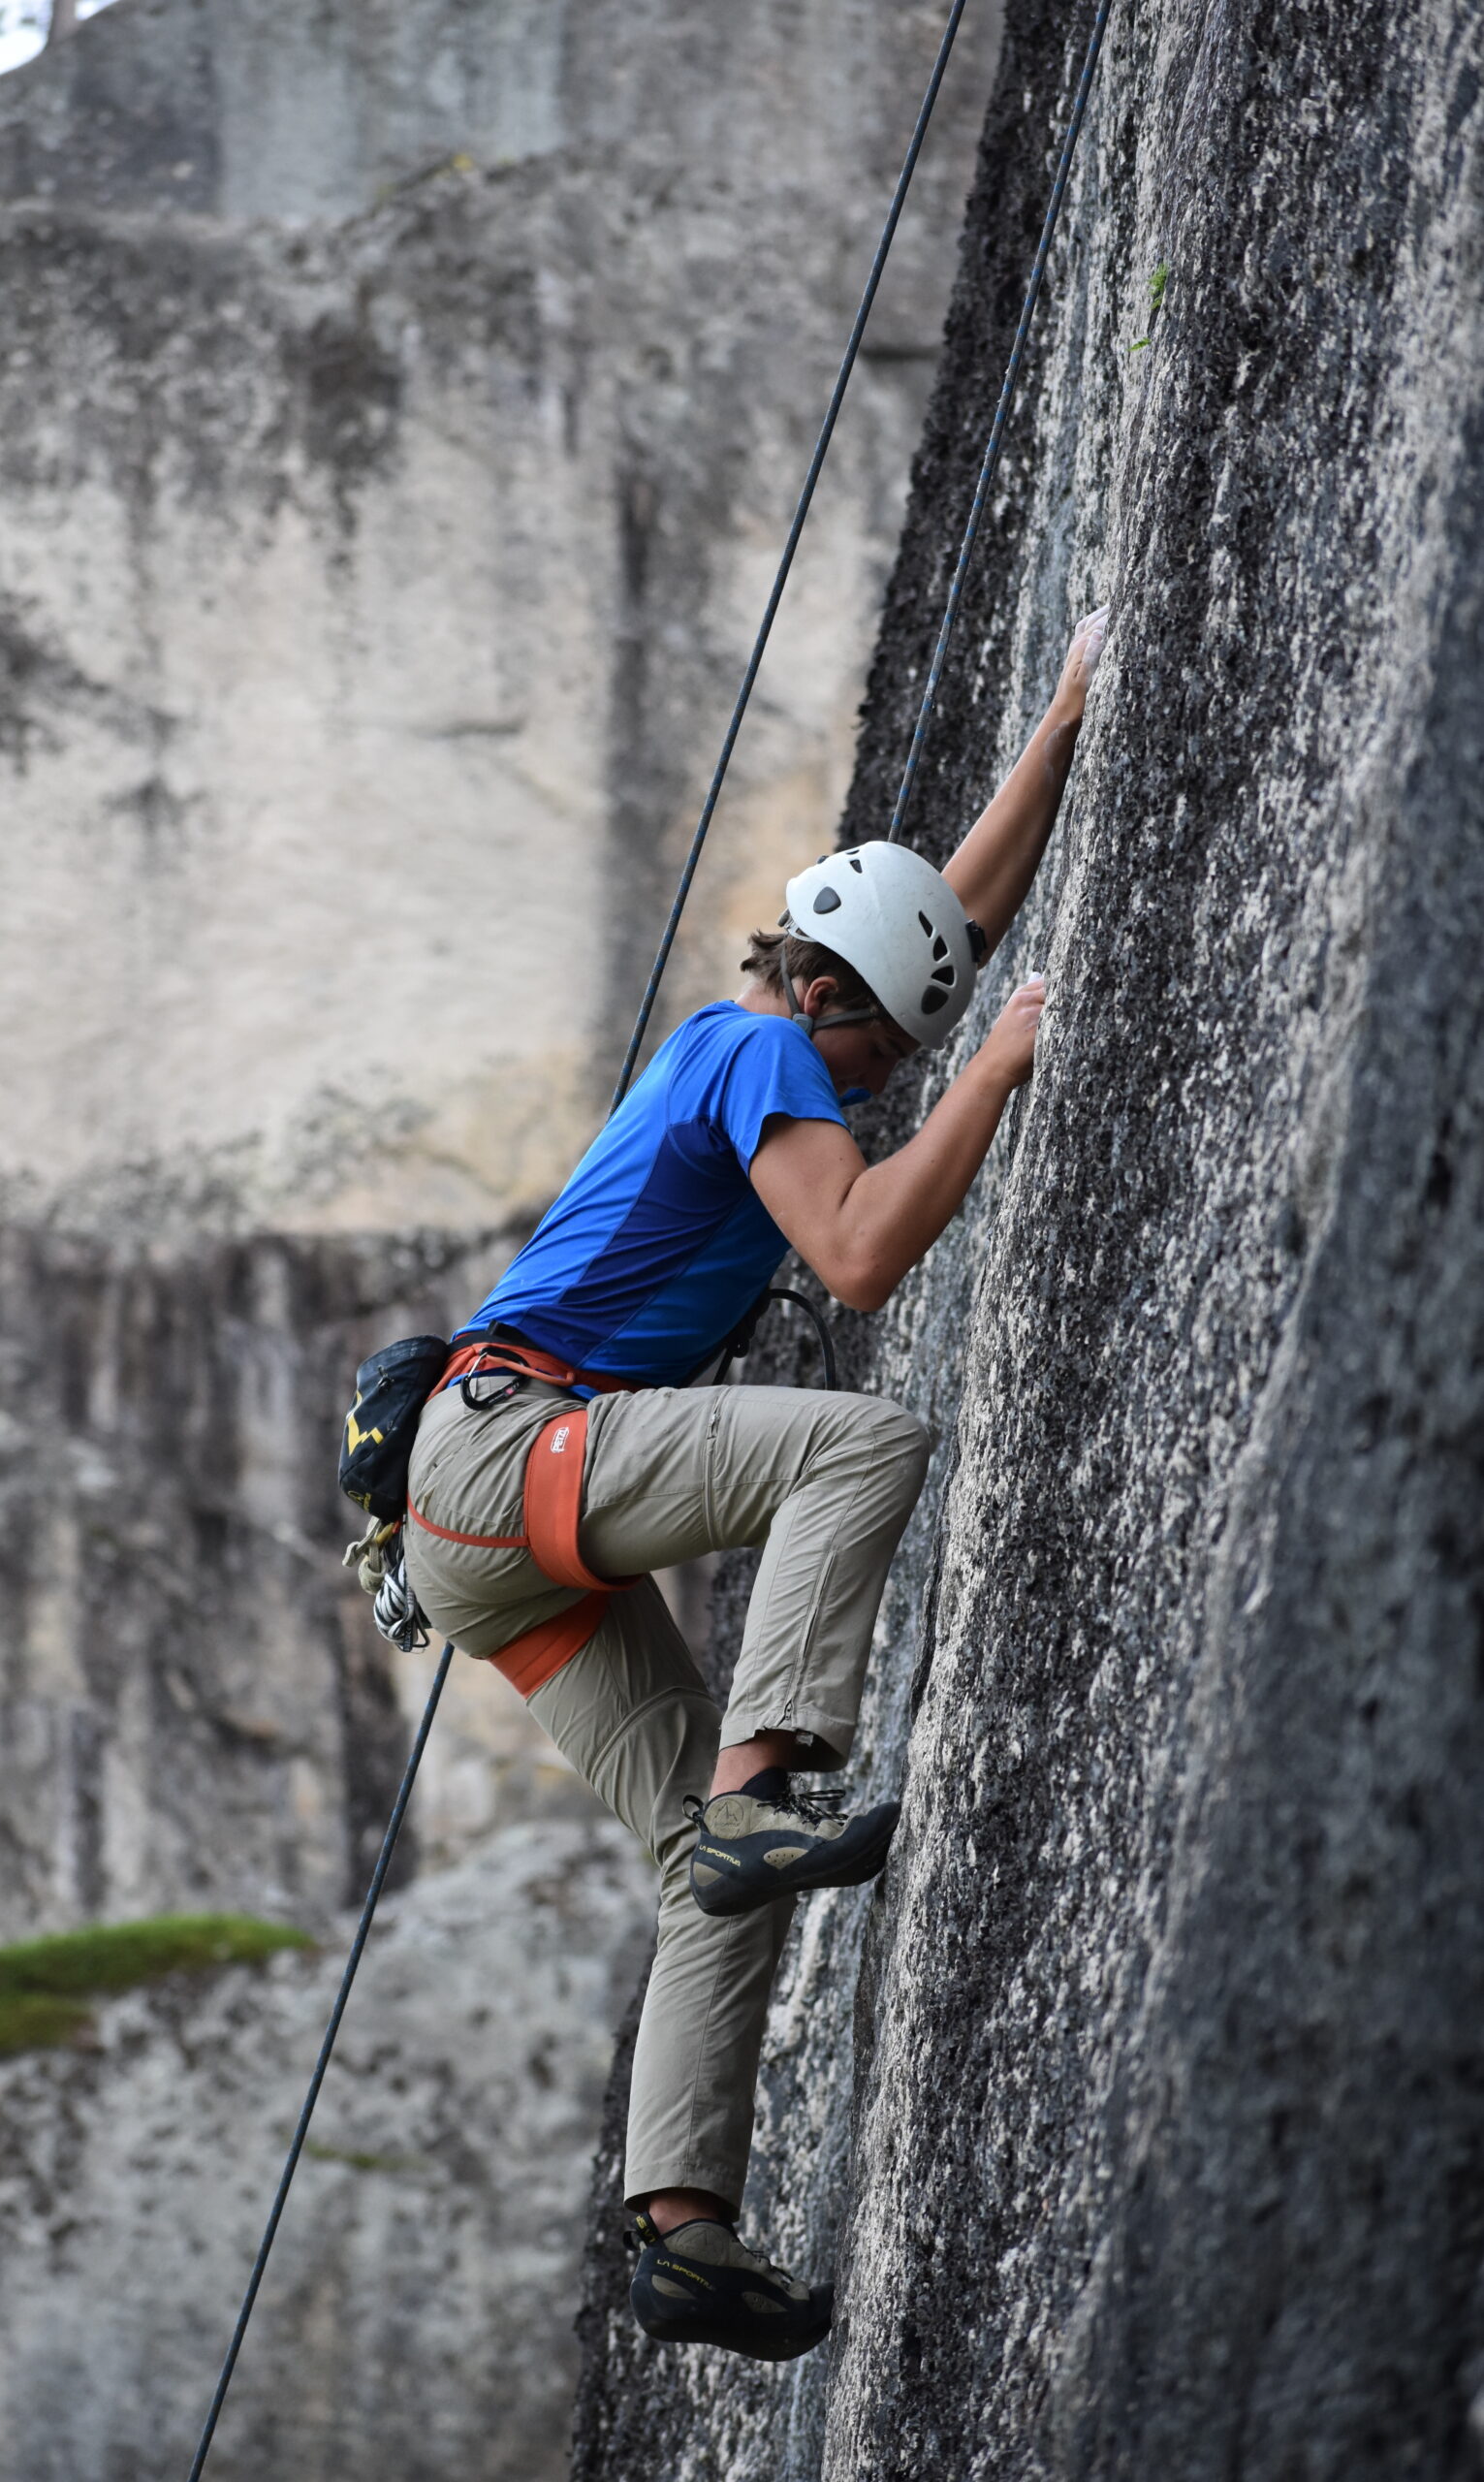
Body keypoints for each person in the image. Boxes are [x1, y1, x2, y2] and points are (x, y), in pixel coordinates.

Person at [402, 607, 1109, 2361]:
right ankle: (768, 1781)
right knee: (863, 1438)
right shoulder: (760, 1047)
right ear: (819, 1002)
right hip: (513, 1456)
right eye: (880, 1056)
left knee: (703, 1870)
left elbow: (936, 920)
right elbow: (862, 1257)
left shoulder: (787, 1013)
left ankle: (682, 2228)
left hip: (478, 1525)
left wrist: (1071, 708)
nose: (881, 1087)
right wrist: (1002, 1072)